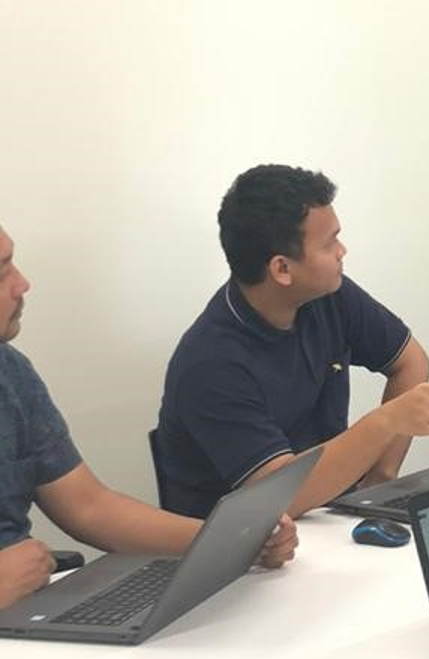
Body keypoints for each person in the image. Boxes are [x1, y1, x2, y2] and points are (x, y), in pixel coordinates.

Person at [151, 165, 429, 519]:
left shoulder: (328, 295)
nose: (342, 251)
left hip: (327, 517)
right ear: (282, 269)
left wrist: (379, 481)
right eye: (329, 243)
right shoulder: (210, 364)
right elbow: (279, 498)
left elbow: (411, 362)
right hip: (242, 540)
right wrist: (386, 422)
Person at [0, 224, 295, 610]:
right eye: (2, 272)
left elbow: (90, 508)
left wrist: (238, 541)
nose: (22, 284)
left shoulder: (12, 375)